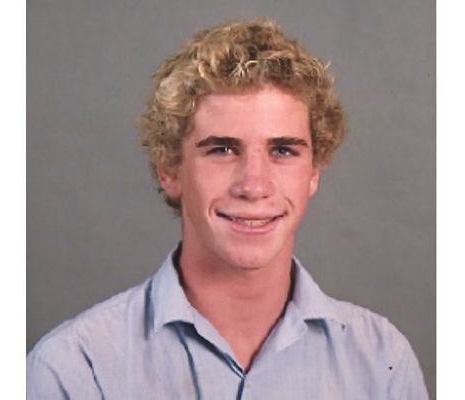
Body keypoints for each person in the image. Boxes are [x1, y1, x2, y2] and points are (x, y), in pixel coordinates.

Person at [27, 18, 429, 399]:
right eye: (221, 149)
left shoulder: (381, 364)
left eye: (283, 150)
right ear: (170, 169)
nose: (254, 185)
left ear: (313, 173)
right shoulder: (76, 370)